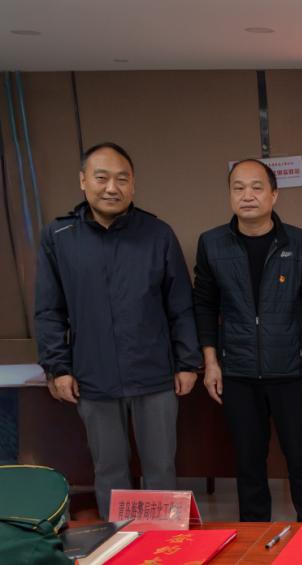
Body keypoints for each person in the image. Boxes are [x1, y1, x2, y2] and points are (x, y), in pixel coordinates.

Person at [34, 142, 201, 517]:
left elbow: (180, 304)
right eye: (102, 178)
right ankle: (119, 541)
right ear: (83, 181)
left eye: (122, 179)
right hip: (93, 375)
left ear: (133, 184)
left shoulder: (157, 233)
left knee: (161, 468)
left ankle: (162, 544)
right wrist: (57, 367)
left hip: (154, 373)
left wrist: (188, 362)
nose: (112, 187)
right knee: (109, 468)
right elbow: (48, 310)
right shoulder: (59, 237)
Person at [193, 159, 302, 522]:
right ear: (229, 195)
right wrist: (211, 362)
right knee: (248, 462)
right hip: (237, 372)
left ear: (274, 194)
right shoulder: (211, 244)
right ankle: (254, 537)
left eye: (256, 187)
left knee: (301, 459)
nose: (247, 195)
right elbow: (204, 306)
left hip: (291, 370)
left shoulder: (300, 243)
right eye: (238, 188)